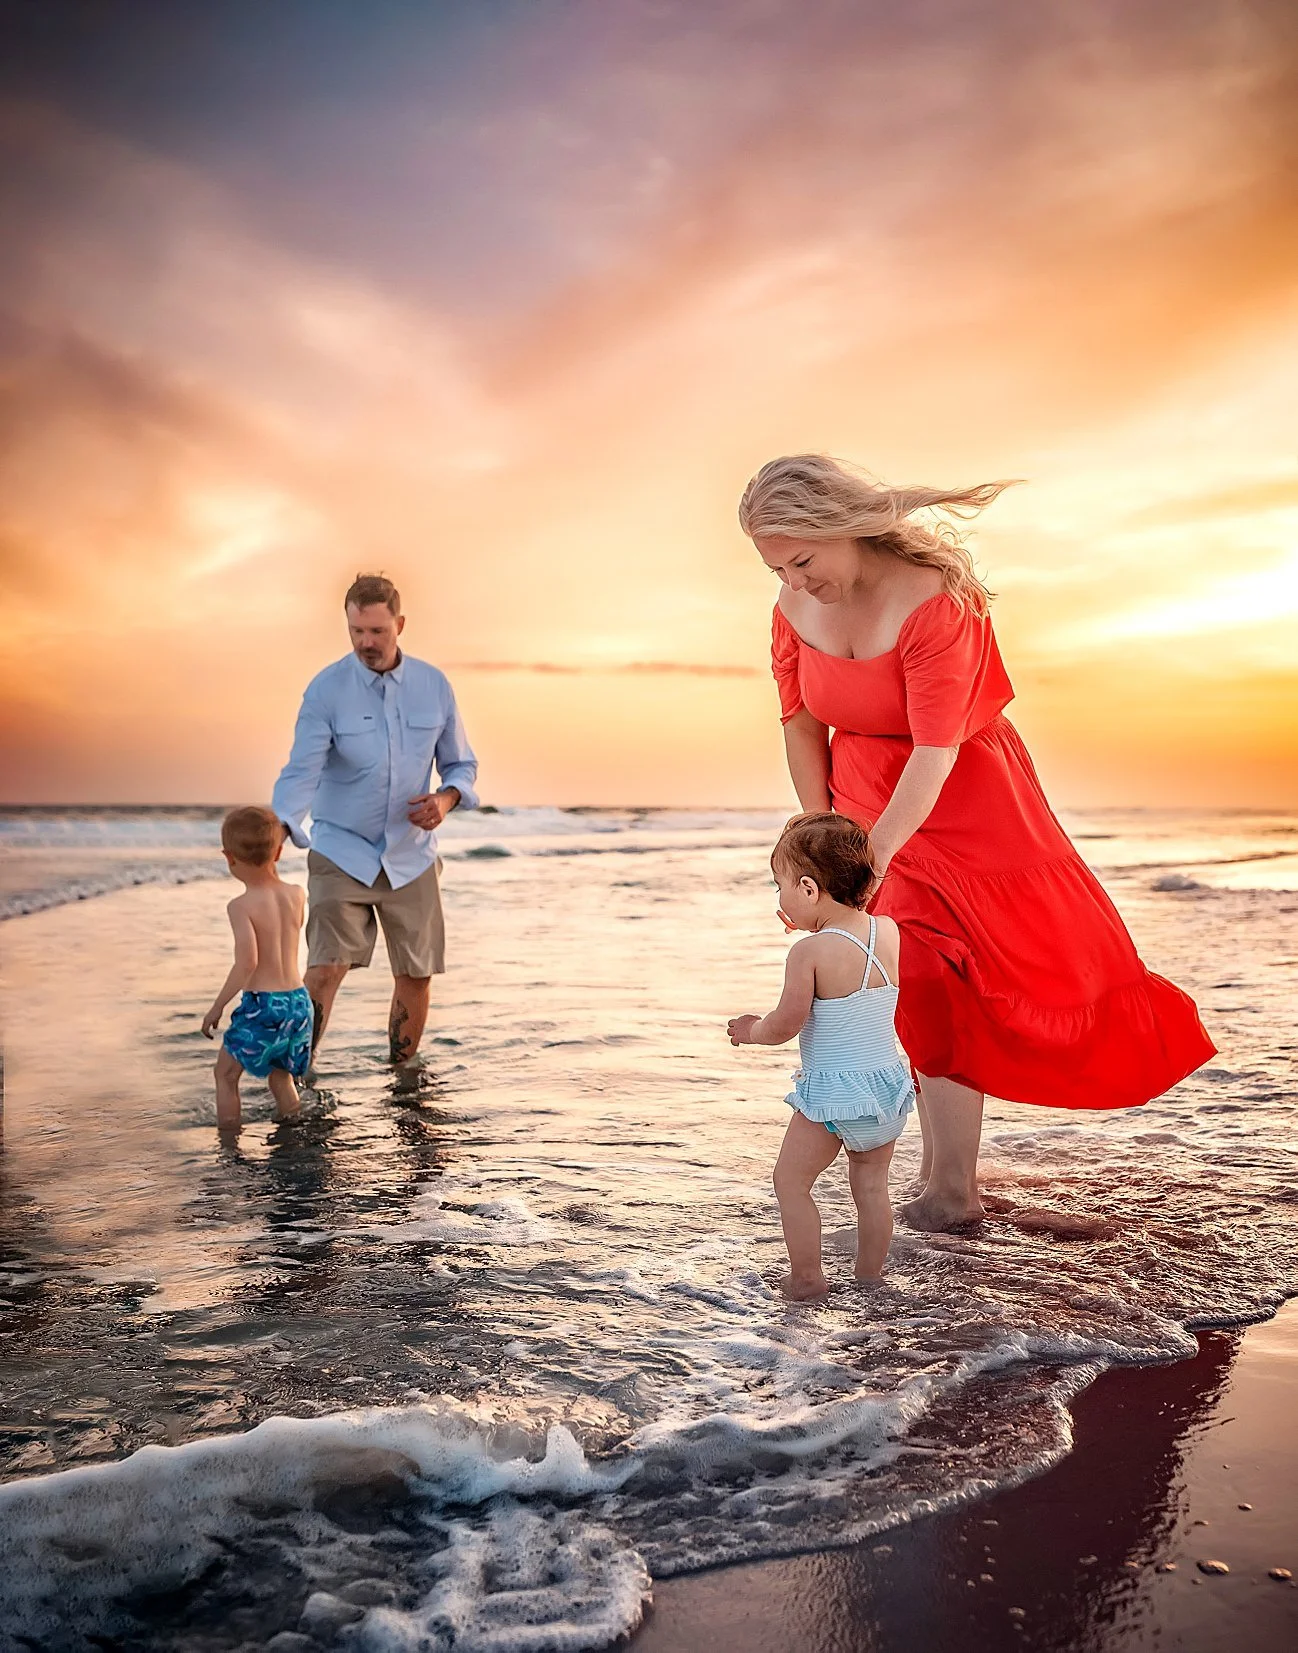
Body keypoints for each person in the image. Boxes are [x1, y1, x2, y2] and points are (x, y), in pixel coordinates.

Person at [739, 454, 1215, 1232]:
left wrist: (875, 853)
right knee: (912, 977)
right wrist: (823, 834)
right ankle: (946, 1184)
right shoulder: (791, 608)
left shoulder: (934, 601)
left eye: (802, 560)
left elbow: (934, 752)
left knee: (956, 974)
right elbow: (799, 724)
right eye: (776, 567)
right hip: (858, 794)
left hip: (960, 798)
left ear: (843, 529)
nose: (795, 581)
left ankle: (948, 1188)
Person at [272, 574, 478, 1069]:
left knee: (416, 972)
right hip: (341, 849)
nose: (366, 642)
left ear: (399, 625)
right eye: (356, 631)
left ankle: (402, 1079)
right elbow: (303, 770)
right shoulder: (326, 690)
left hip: (411, 855)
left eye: (377, 631)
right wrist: (279, 828)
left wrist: (445, 801)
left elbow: (460, 766)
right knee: (325, 968)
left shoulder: (434, 686)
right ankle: (295, 1076)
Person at [728, 812, 914, 1299]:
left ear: (809, 889)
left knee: (790, 1182)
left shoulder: (808, 953)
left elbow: (786, 1024)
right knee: (871, 1188)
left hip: (834, 1095)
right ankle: (871, 1279)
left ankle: (807, 1279)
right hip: (884, 1089)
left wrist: (750, 1031)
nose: (780, 898)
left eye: (780, 886)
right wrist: (817, 929)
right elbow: (850, 959)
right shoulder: (887, 931)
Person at [202, 805, 311, 1133]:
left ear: (228, 857)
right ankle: (293, 1128)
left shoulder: (241, 906)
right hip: (299, 1001)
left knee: (225, 1075)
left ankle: (229, 1146)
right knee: (281, 1074)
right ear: (278, 851)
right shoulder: (297, 894)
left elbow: (248, 962)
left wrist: (218, 1006)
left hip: (264, 1005)